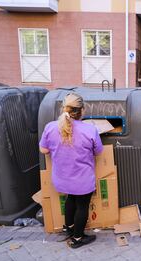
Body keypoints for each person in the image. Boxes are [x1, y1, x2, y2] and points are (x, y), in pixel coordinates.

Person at [39, 93, 103, 248]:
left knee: (70, 200)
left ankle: (69, 228)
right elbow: (98, 152)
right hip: (82, 180)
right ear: (82, 110)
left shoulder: (50, 127)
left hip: (62, 179)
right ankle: (78, 239)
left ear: (63, 109)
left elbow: (43, 150)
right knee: (82, 206)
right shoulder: (90, 130)